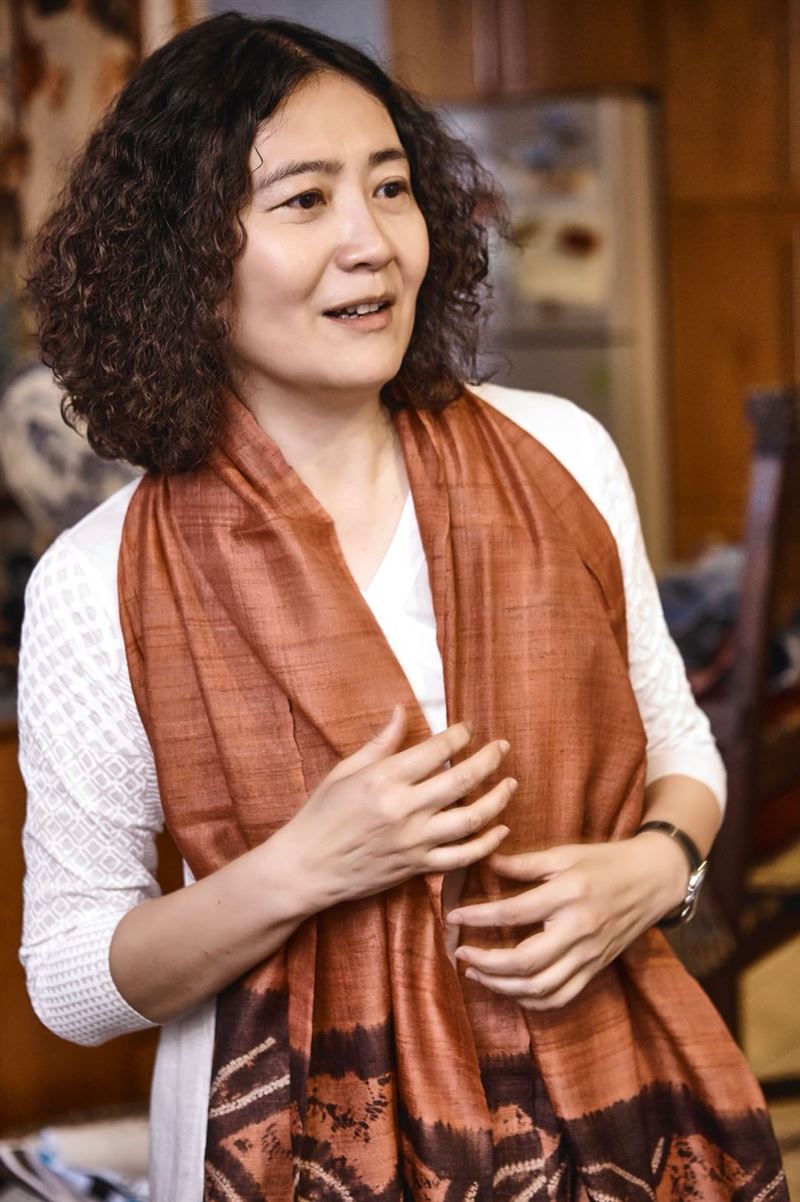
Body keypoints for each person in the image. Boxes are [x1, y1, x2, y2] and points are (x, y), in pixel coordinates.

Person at [18, 13, 786, 1202]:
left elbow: (676, 743)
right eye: (304, 200)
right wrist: (302, 867)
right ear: (184, 260)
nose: (370, 242)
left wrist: (655, 865)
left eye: (389, 188)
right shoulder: (101, 576)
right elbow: (71, 978)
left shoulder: (560, 454)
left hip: (616, 1102)